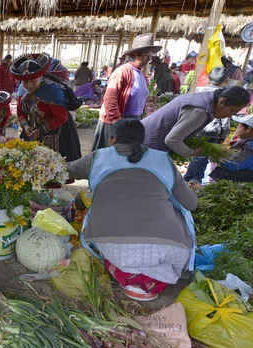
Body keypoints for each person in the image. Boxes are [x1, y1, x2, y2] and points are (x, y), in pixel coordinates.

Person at [68, 119, 197, 301]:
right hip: (171, 251)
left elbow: (65, 171)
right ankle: (150, 277)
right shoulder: (163, 159)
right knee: (179, 210)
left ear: (112, 139)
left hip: (115, 249)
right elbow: (191, 204)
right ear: (143, 140)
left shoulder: (98, 157)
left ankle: (130, 274)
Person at [91, 33, 162, 151]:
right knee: (110, 156)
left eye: (150, 55)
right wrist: (117, 122)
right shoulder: (122, 72)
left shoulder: (142, 75)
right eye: (146, 55)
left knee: (127, 156)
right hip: (117, 121)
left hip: (134, 121)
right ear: (135, 54)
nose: (149, 59)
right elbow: (110, 99)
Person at [143, 86, 249, 159]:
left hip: (142, 136)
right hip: (144, 143)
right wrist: (192, 152)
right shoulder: (200, 111)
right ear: (222, 102)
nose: (230, 115)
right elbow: (172, 140)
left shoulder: (207, 97)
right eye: (232, 110)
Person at [12, 53, 81, 161]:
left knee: (55, 167)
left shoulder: (52, 91)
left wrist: (40, 130)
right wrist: (25, 126)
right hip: (32, 132)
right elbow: (21, 112)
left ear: (40, 77)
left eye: (33, 81)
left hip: (57, 134)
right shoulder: (22, 90)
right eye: (25, 82)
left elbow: (61, 117)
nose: (29, 85)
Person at [183, 67, 230, 184]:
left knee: (202, 156)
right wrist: (224, 134)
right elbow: (225, 117)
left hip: (194, 128)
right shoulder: (223, 95)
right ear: (226, 81)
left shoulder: (199, 90)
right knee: (201, 155)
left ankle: (196, 178)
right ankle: (190, 179)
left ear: (209, 79)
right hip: (211, 131)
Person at [210, 114, 253, 182]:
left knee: (219, 172)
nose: (238, 128)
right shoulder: (247, 141)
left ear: (248, 129)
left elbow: (233, 165)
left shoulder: (250, 147)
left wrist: (218, 156)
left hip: (248, 177)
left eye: (240, 125)